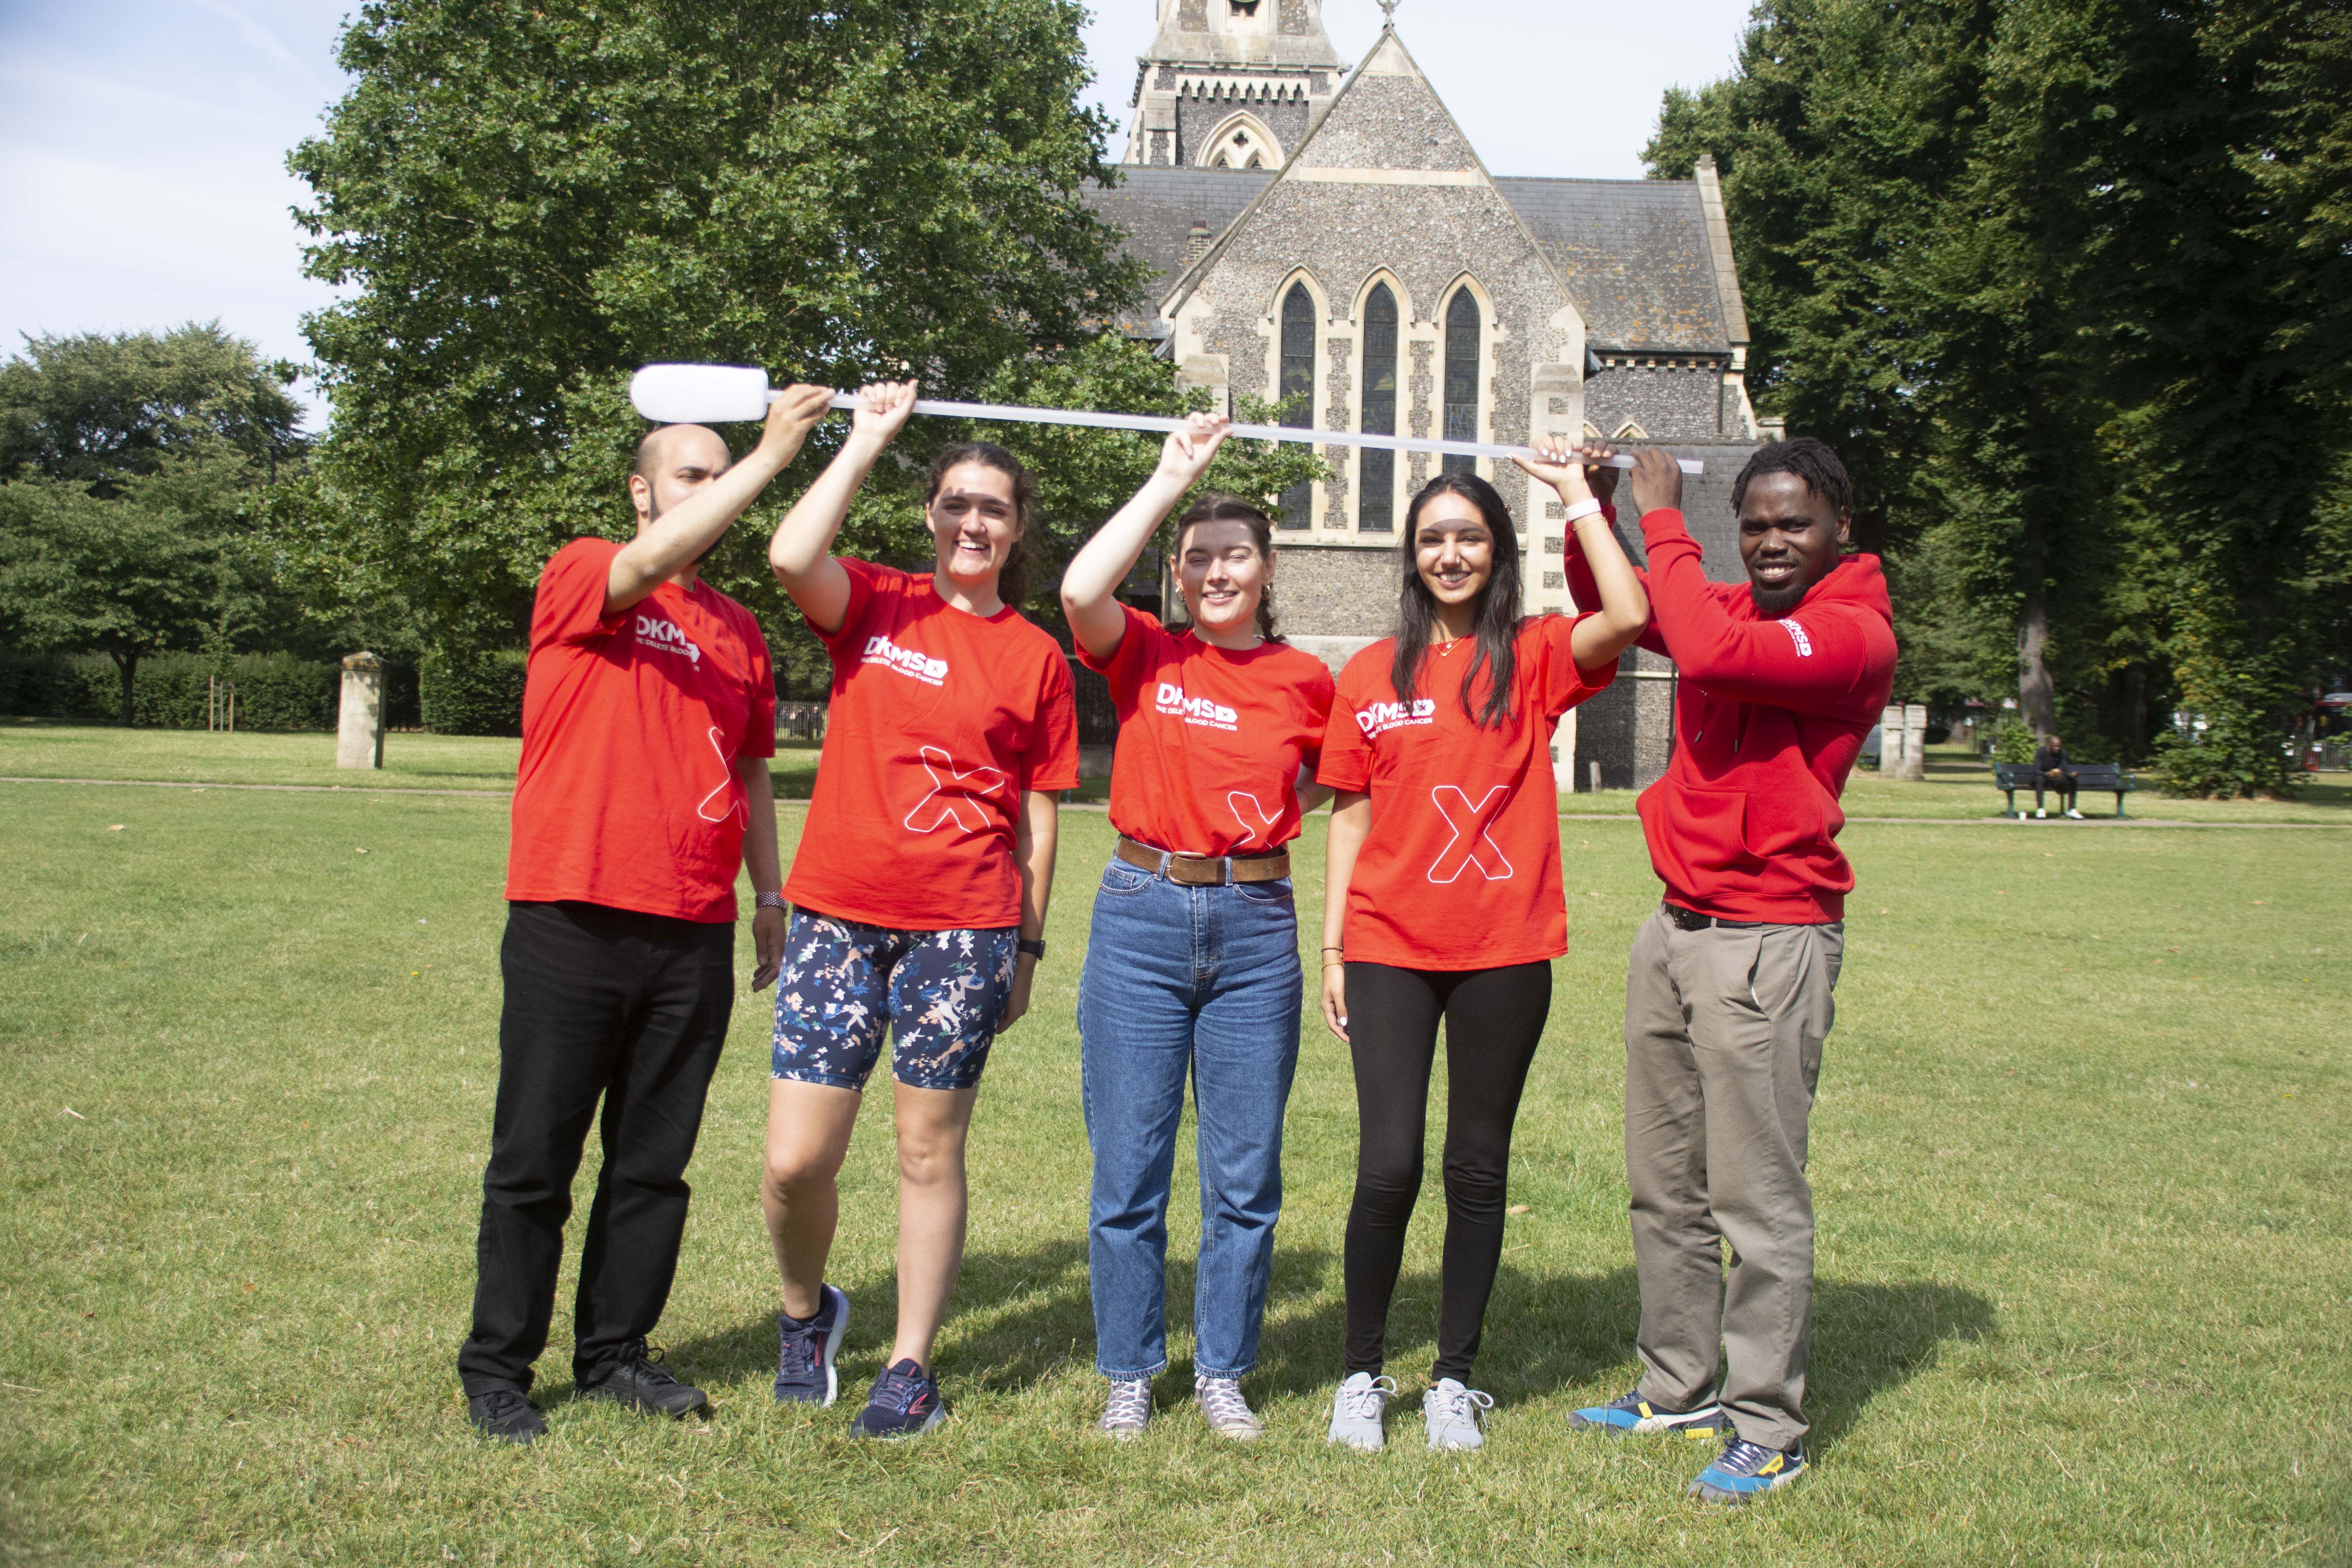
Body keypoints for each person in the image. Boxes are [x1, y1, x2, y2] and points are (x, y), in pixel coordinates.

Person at [459, 384, 837, 1445]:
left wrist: (771, 896)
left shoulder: (740, 633)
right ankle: (498, 1367)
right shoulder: (587, 570)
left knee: (652, 1165)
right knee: (536, 1157)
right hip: (571, 914)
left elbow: (755, 770)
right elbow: (647, 563)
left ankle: (616, 1352)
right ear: (642, 490)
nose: (711, 492)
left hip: (690, 929)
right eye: (692, 476)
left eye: (721, 477)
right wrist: (770, 459)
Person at [1562, 438, 1896, 1506]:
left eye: (1791, 522)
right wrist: (1603, 505)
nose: (1768, 542)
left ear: (1839, 524)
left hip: (1770, 939)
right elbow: (1618, 601)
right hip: (1676, 928)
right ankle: (1680, 1384)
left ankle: (1769, 1427)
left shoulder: (1851, 633)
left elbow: (1699, 653)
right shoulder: (1733, 605)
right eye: (1753, 524)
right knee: (1666, 1186)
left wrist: (1663, 514)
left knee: (1757, 1200)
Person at [1317, 442, 1651, 1453]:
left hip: (1505, 947)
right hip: (1385, 946)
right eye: (1432, 539)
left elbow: (1632, 616)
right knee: (1388, 1165)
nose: (1449, 554)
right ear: (1411, 555)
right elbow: (1345, 813)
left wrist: (1579, 496)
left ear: (1498, 551)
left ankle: (1453, 1381)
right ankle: (1360, 1376)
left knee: (1476, 1166)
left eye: (1468, 537)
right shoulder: (1373, 670)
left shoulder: (1539, 652)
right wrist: (1332, 949)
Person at [761, 382, 1079, 1439]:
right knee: (796, 1161)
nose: (972, 522)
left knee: (927, 1151)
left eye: (993, 507)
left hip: (966, 926)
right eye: (955, 503)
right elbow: (788, 556)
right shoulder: (877, 604)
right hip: (838, 916)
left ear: (1019, 527)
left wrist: (1028, 946)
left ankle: (909, 1368)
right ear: (931, 516)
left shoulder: (1037, 656)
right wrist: (864, 442)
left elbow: (1041, 810)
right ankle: (808, 1314)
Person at [1058, 414, 1338, 1442]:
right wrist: (1170, 481)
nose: (1216, 573)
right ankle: (1131, 1370)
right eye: (1197, 559)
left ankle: (1223, 1369)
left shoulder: (1308, 681)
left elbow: (1329, 788)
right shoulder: (1147, 654)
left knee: (1244, 1174)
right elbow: (1081, 592)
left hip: (1258, 928)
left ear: (1267, 570)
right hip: (1141, 918)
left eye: (1235, 557)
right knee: (1130, 1169)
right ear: (1177, 571)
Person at [2034, 735, 2082, 818]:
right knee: (2039, 779)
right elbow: (2036, 770)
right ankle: (2041, 810)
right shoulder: (2041, 752)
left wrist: (2070, 775)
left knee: (2072, 780)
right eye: (2056, 747)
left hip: (2056, 780)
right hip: (2044, 778)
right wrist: (2047, 774)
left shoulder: (2062, 753)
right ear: (2049, 745)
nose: (2058, 749)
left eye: (2059, 747)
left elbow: (2065, 768)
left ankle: (2071, 810)